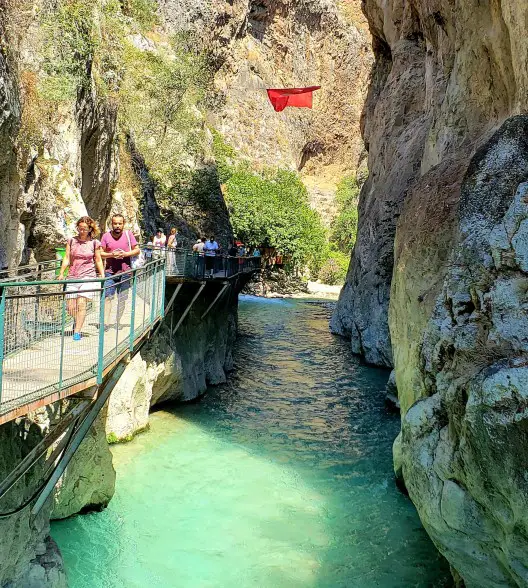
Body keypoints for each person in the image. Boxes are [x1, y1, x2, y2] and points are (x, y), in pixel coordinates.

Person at [58, 216, 105, 341]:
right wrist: (62, 273)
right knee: (70, 307)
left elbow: (98, 259)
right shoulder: (71, 241)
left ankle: (77, 332)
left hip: (88, 276)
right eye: (80, 228)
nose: (82, 231)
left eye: (85, 229)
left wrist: (102, 274)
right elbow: (67, 257)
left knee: (81, 303)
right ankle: (78, 319)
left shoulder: (94, 243)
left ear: (90, 229)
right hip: (73, 276)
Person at [99, 214, 140, 330]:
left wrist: (125, 254)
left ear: (123, 224)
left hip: (125, 272)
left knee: (122, 298)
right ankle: (105, 324)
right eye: (115, 223)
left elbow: (137, 249)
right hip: (110, 272)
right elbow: (100, 253)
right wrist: (112, 254)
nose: (117, 226)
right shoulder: (106, 236)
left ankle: (117, 321)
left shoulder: (128, 234)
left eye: (120, 223)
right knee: (107, 297)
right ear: (111, 224)